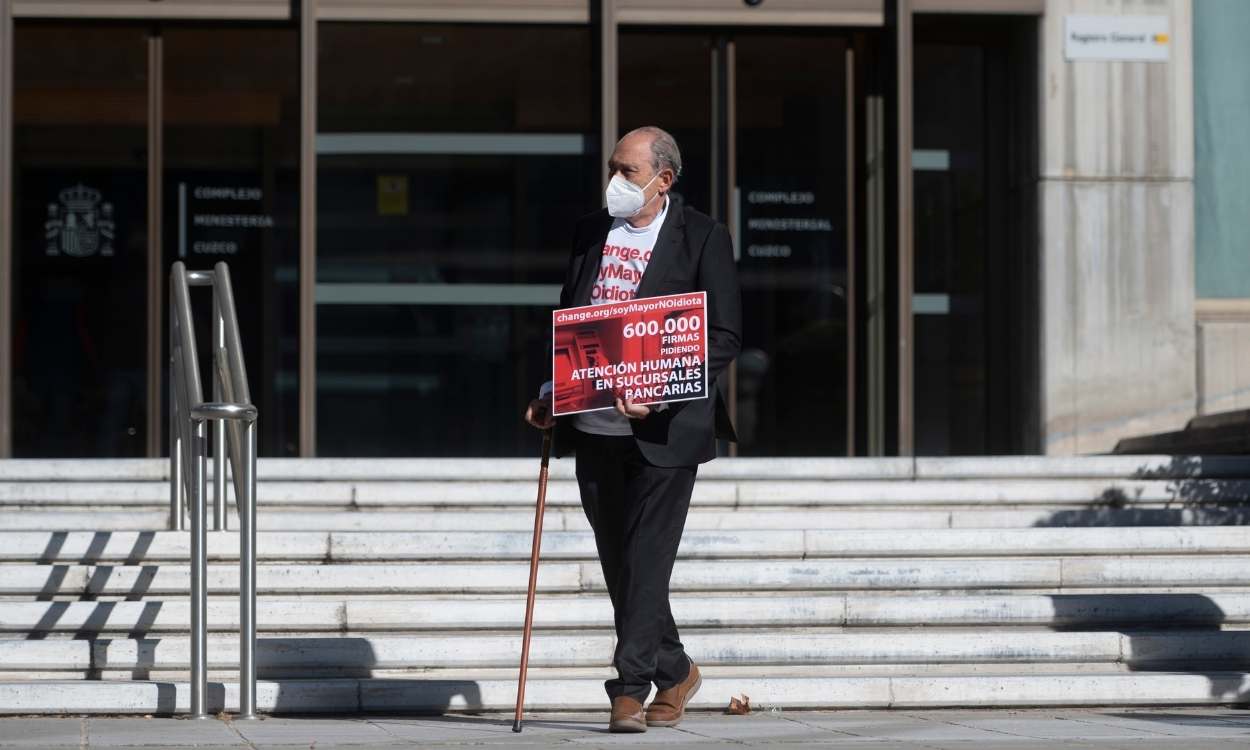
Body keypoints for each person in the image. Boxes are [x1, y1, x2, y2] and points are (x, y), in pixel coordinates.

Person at [524, 126, 742, 733]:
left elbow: (723, 336)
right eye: (614, 169)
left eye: (626, 170)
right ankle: (677, 672)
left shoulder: (702, 237)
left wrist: (663, 388)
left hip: (666, 434)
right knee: (621, 564)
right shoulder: (592, 232)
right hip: (594, 427)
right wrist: (550, 393)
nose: (614, 181)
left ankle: (628, 687)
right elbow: (572, 318)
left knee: (647, 562)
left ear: (662, 180)